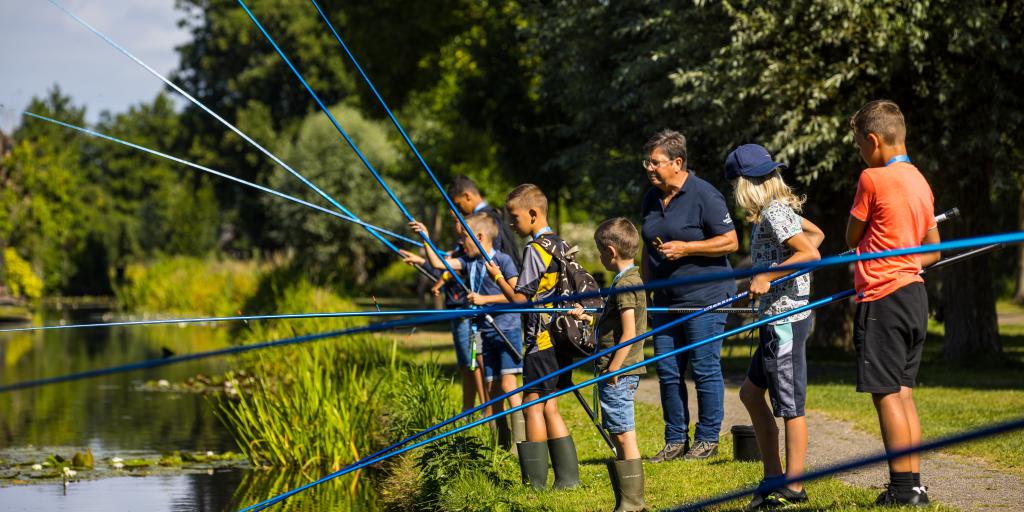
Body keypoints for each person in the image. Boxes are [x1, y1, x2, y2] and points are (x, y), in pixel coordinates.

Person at [846, 100, 939, 506]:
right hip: (914, 295)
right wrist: (902, 257)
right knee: (902, 392)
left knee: (885, 394)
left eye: (859, 146)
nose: (861, 155)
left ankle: (902, 489)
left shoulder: (872, 178)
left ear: (873, 141)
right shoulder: (920, 181)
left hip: (882, 297)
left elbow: (851, 236)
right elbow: (933, 251)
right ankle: (913, 484)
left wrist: (882, 256)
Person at [724, 144, 824, 510]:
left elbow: (810, 253)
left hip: (784, 320)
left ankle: (793, 489)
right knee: (750, 394)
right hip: (773, 317)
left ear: (743, 185)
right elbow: (817, 235)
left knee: (790, 405)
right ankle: (773, 476)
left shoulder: (774, 213)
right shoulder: (778, 212)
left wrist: (768, 274)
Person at [640, 129, 738, 462]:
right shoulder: (651, 198)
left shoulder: (704, 195)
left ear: (678, 162)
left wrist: (688, 248)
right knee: (667, 369)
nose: (649, 169)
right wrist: (646, 288)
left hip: (705, 295)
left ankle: (708, 439)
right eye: (647, 163)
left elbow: (730, 241)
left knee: (704, 368)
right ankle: (675, 440)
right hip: (665, 300)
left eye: (655, 163)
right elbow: (646, 246)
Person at [487, 183, 580, 490]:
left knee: (531, 405)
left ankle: (535, 484)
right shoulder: (560, 244)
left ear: (533, 213)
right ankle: (567, 479)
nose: (511, 224)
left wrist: (498, 277)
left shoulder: (534, 249)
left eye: (514, 217)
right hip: (562, 337)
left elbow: (520, 300)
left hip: (541, 340)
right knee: (550, 404)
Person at [406, 214, 526, 446]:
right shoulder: (469, 262)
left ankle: (522, 444)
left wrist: (484, 299)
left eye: (465, 239)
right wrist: (425, 239)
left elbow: (516, 296)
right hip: (481, 332)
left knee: (509, 385)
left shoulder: (503, 260)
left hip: (505, 329)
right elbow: (439, 264)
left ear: (479, 237)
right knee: (492, 388)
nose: (462, 244)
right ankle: (501, 442)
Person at [569, 217, 648, 512]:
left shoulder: (625, 284)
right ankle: (629, 501)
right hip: (619, 369)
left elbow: (628, 332)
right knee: (619, 430)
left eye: (600, 253)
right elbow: (615, 323)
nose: (600, 258)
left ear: (611, 252)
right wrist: (588, 318)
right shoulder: (628, 279)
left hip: (619, 370)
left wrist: (613, 369)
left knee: (624, 433)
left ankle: (632, 503)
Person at [402, 222, 486, 413]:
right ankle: (469, 410)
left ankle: (485, 410)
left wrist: (440, 278)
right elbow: (443, 268)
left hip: (467, 314)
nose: (455, 223)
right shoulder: (460, 247)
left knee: (474, 363)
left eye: (456, 219)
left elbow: (451, 270)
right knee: (466, 365)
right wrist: (421, 261)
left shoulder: (469, 249)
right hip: (458, 312)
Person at [448, 175, 523, 267]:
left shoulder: (485, 219)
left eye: (458, 204)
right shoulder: (492, 214)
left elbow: (494, 252)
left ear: (467, 196)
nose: (458, 210)